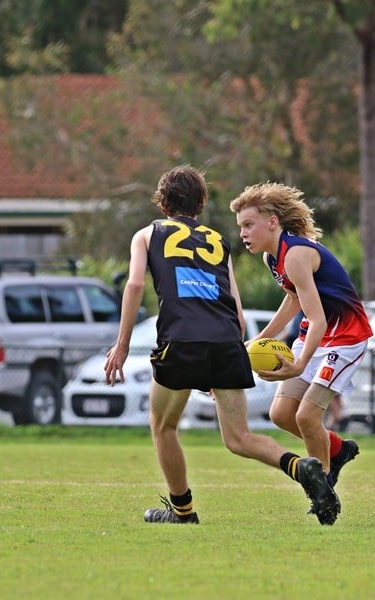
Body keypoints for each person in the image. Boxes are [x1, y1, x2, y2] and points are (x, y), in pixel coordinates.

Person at [103, 166, 340, 526]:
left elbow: (134, 286)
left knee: (163, 425)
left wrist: (121, 345)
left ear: (162, 202)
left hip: (180, 341)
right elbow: (238, 312)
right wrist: (222, 363)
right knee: (239, 437)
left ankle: (183, 512)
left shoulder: (148, 234)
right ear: (201, 203)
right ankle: (301, 466)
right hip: (227, 342)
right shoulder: (218, 241)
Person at [230, 182, 372, 487]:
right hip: (315, 336)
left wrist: (298, 364)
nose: (243, 233)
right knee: (281, 414)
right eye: (241, 226)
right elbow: (294, 299)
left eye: (248, 225)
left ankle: (322, 488)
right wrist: (259, 339)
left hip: (345, 337)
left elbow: (318, 320)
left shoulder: (295, 254)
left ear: (272, 222)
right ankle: (337, 450)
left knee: (306, 417)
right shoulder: (273, 257)